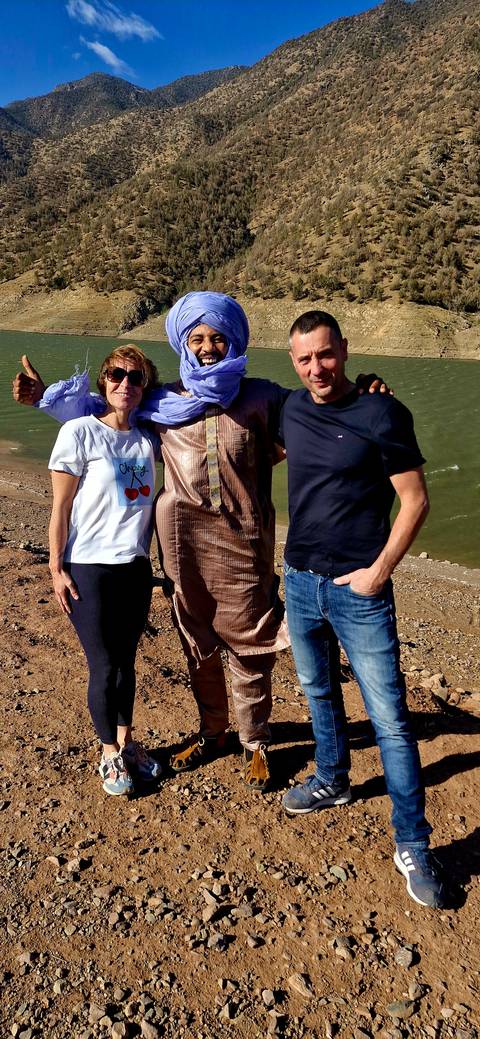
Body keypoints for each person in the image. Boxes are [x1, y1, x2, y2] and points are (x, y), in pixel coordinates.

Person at [12, 293, 387, 794]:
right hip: (181, 547)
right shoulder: (162, 402)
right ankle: (214, 732)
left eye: (217, 338)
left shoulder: (260, 397)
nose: (208, 347)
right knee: (198, 643)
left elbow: (316, 407)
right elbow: (107, 412)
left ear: (234, 340)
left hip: (243, 541)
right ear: (184, 345)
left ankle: (255, 741)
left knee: (252, 645)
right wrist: (43, 398)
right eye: (198, 339)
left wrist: (359, 390)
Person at [279, 309, 446, 908]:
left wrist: (378, 574)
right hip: (299, 579)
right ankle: (332, 779)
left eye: (326, 354)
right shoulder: (289, 407)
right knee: (317, 691)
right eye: (304, 359)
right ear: (292, 361)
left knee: (391, 721)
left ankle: (413, 844)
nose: (317, 368)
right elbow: (218, 408)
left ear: (344, 350)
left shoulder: (382, 412)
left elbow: (415, 500)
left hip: (359, 591)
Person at [47, 344, 162, 796]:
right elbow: (61, 507)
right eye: (117, 374)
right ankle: (107, 752)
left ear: (144, 388)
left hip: (133, 566)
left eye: (136, 378)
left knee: (128, 663)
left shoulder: (147, 439)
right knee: (103, 664)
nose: (125, 384)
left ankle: (127, 743)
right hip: (89, 566)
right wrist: (57, 567)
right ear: (103, 380)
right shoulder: (79, 432)